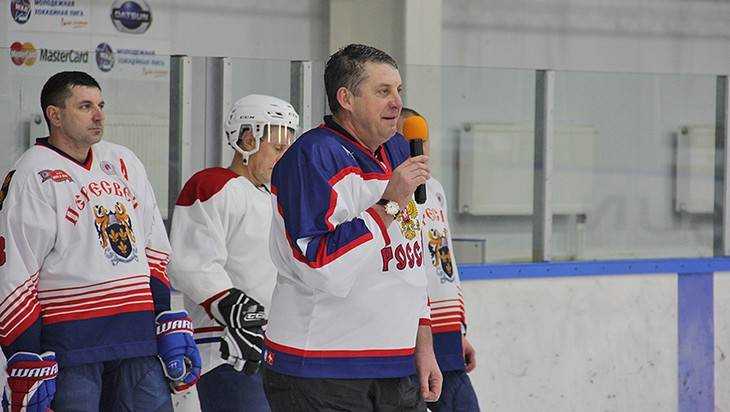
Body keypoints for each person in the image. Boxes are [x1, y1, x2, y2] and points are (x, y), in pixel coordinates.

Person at [0, 71, 201, 411]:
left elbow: (152, 248)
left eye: (101, 105)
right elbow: (16, 272)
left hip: (138, 340)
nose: (99, 115)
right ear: (55, 115)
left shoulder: (123, 162)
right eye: (85, 106)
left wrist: (163, 316)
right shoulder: (32, 175)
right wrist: (26, 354)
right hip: (71, 349)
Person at [262, 43, 442, 411]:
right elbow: (320, 264)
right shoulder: (312, 156)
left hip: (395, 365)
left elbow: (409, 260)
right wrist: (389, 203)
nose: (397, 102)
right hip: (321, 369)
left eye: (398, 90)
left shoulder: (398, 151)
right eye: (383, 91)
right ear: (346, 98)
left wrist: (423, 345)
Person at [168, 94, 299, 412]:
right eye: (277, 149)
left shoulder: (276, 198)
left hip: (276, 347)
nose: (283, 159)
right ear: (248, 139)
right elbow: (190, 263)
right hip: (227, 347)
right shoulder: (213, 185)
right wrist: (234, 308)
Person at [398, 108, 481, 411]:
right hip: (409, 332)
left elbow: (444, 262)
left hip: (446, 332)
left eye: (423, 141)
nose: (419, 149)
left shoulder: (434, 190)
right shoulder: (388, 191)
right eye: (410, 141)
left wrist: (459, 331)